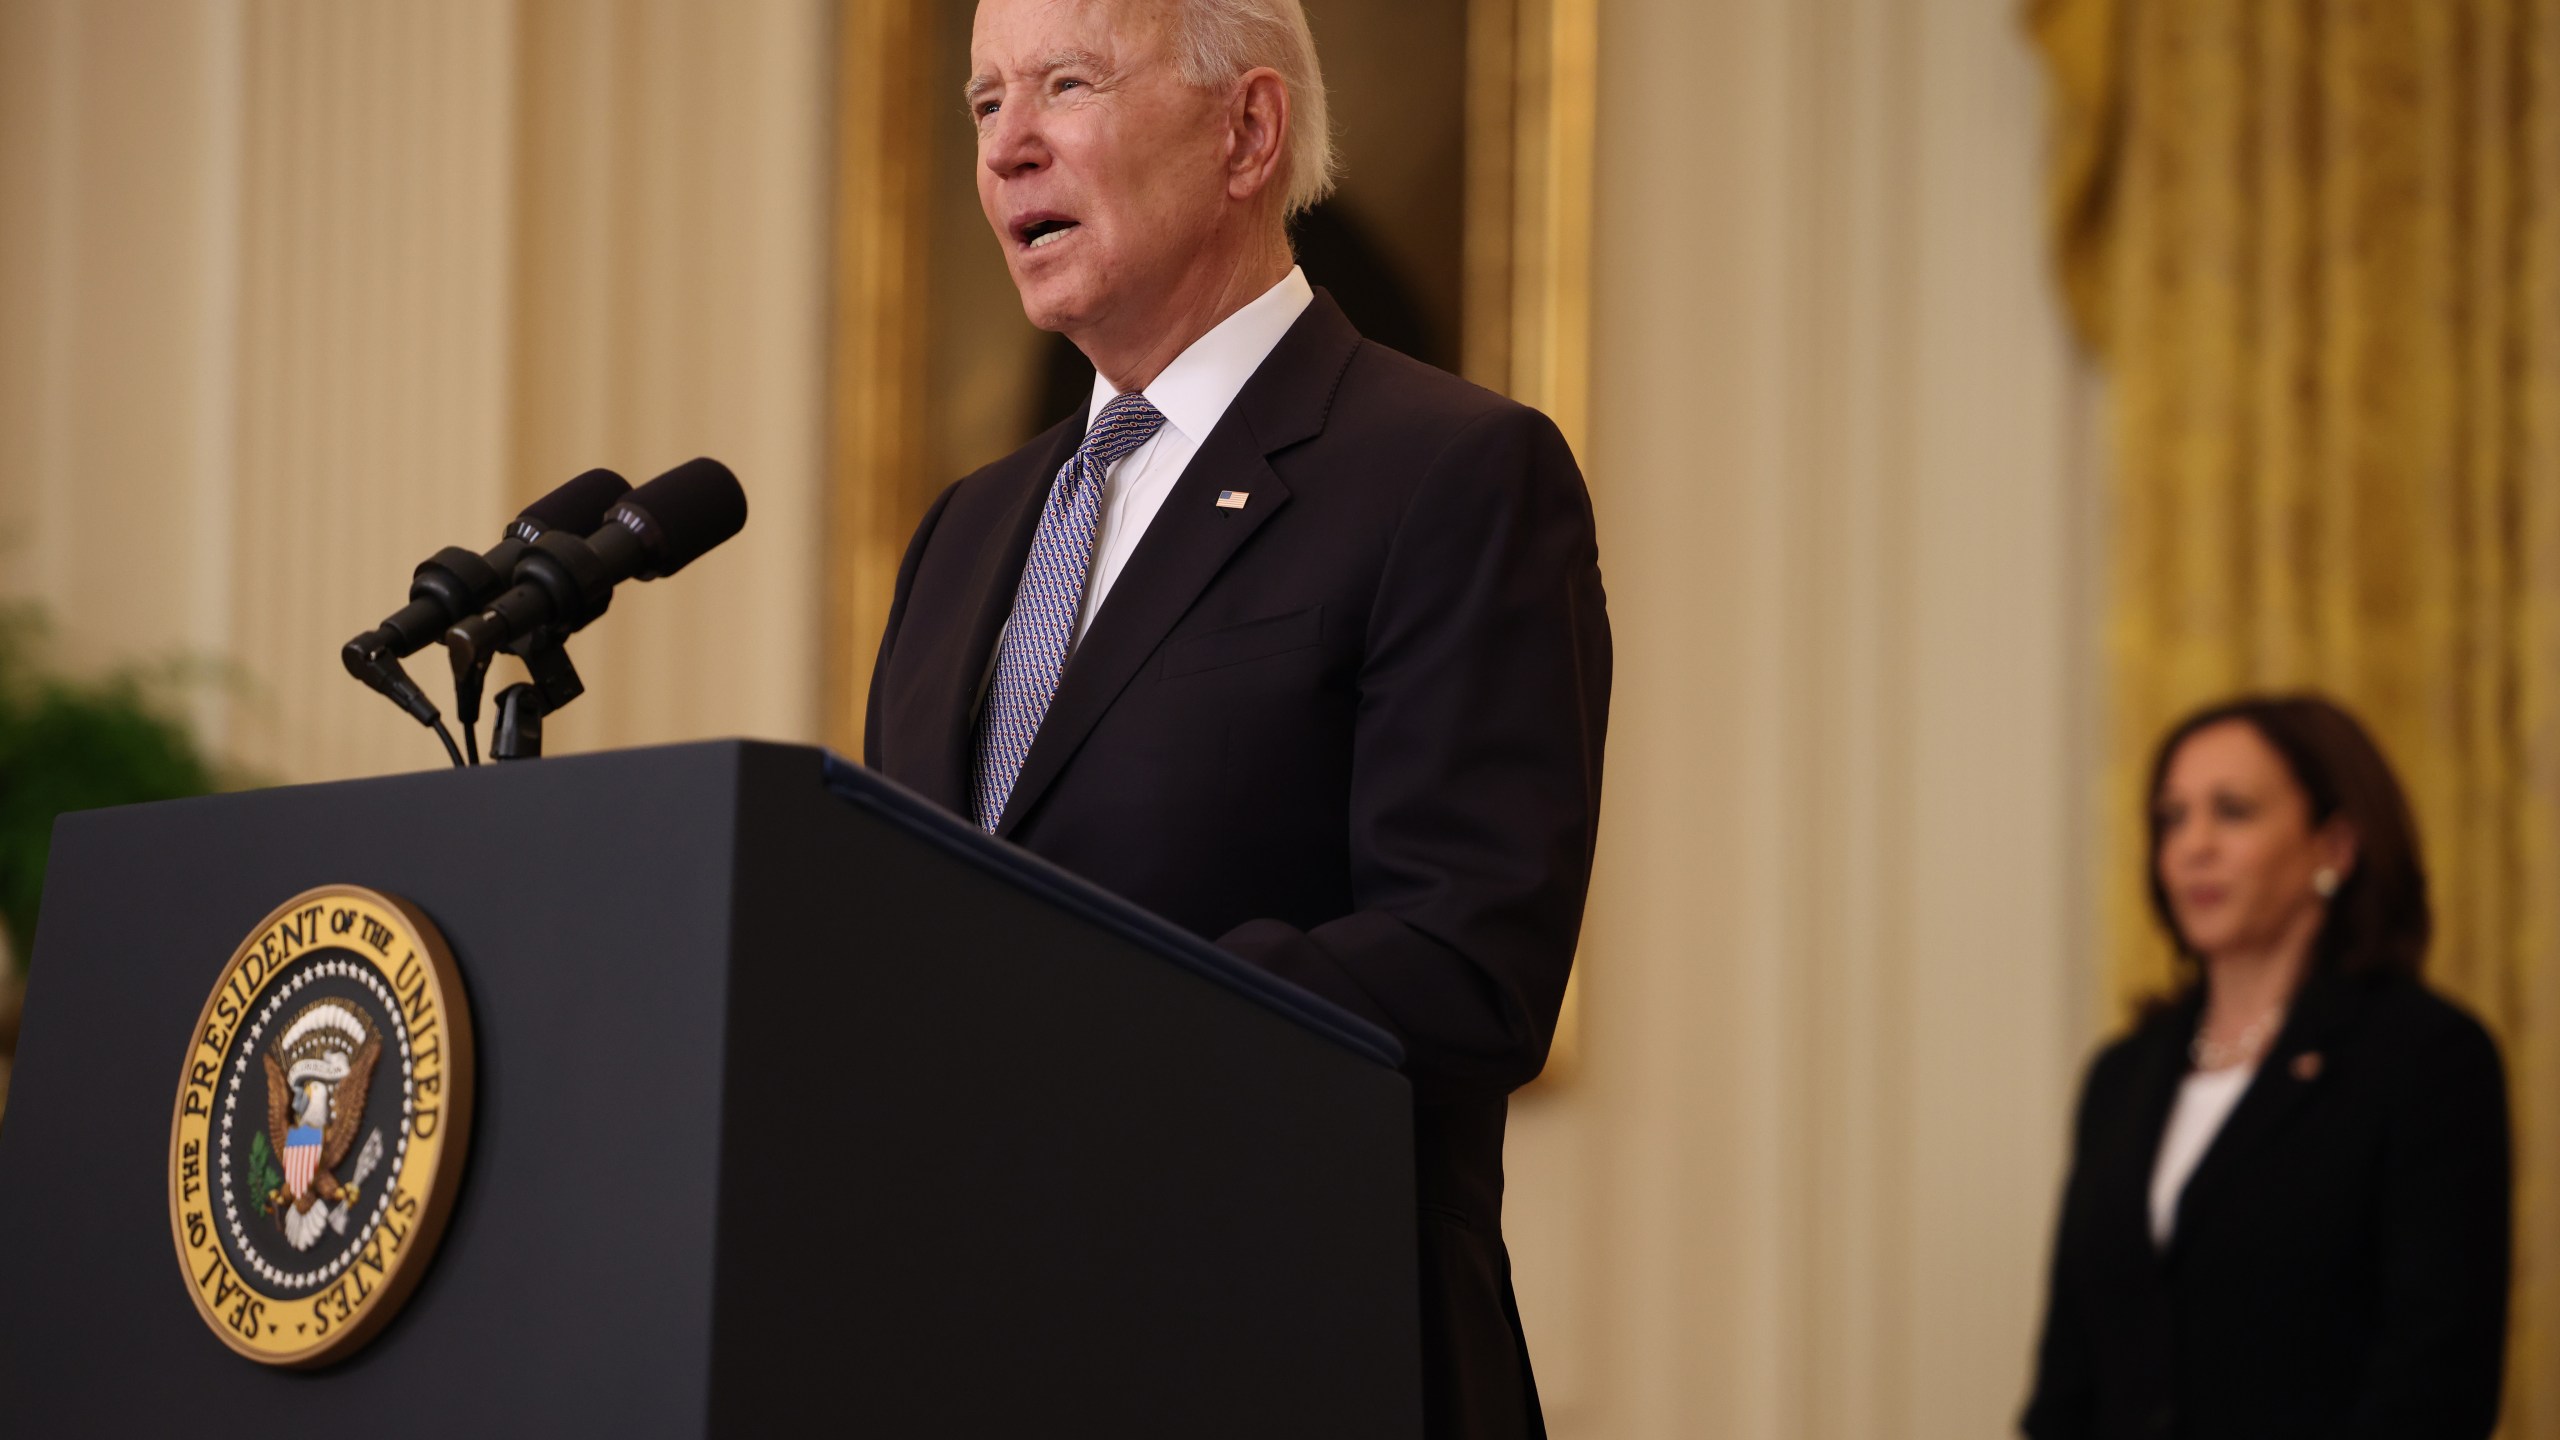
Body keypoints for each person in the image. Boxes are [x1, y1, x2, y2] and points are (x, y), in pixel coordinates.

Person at [862, 2, 1611, 1435]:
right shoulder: (966, 535)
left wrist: (1062, 1031)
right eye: (981, 104)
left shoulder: (1452, 476)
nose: (1009, 146)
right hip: (976, 1352)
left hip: (1297, 1343)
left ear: (1247, 131)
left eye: (1065, 85)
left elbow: (1468, 962)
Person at [2023, 696, 2511, 1439]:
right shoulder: (2122, 1077)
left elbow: (2435, 1381)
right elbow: (2070, 1379)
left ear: (2335, 847)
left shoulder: (2424, 1058)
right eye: (2172, 818)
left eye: (2233, 812)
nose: (2194, 846)